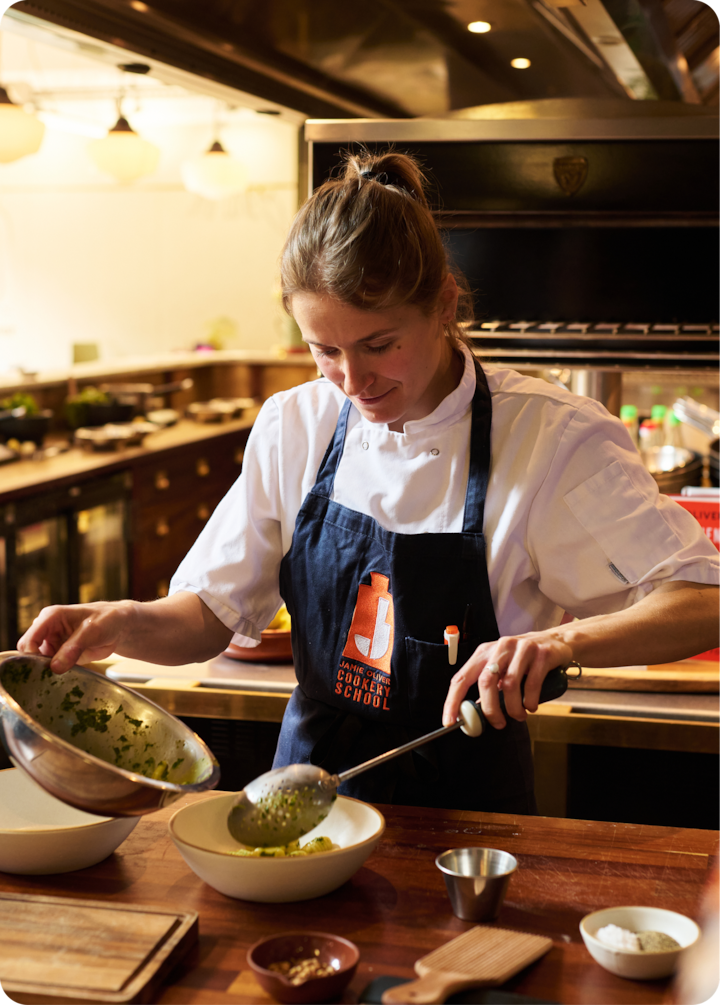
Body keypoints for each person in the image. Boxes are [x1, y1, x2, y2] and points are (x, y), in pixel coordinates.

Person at [18, 152, 720, 813]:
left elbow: (702, 600)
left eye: (380, 345)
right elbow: (209, 614)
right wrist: (123, 622)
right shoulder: (296, 423)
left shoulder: (549, 437)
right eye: (326, 350)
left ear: (445, 304)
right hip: (306, 801)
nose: (353, 382)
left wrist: (564, 644)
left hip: (467, 819)